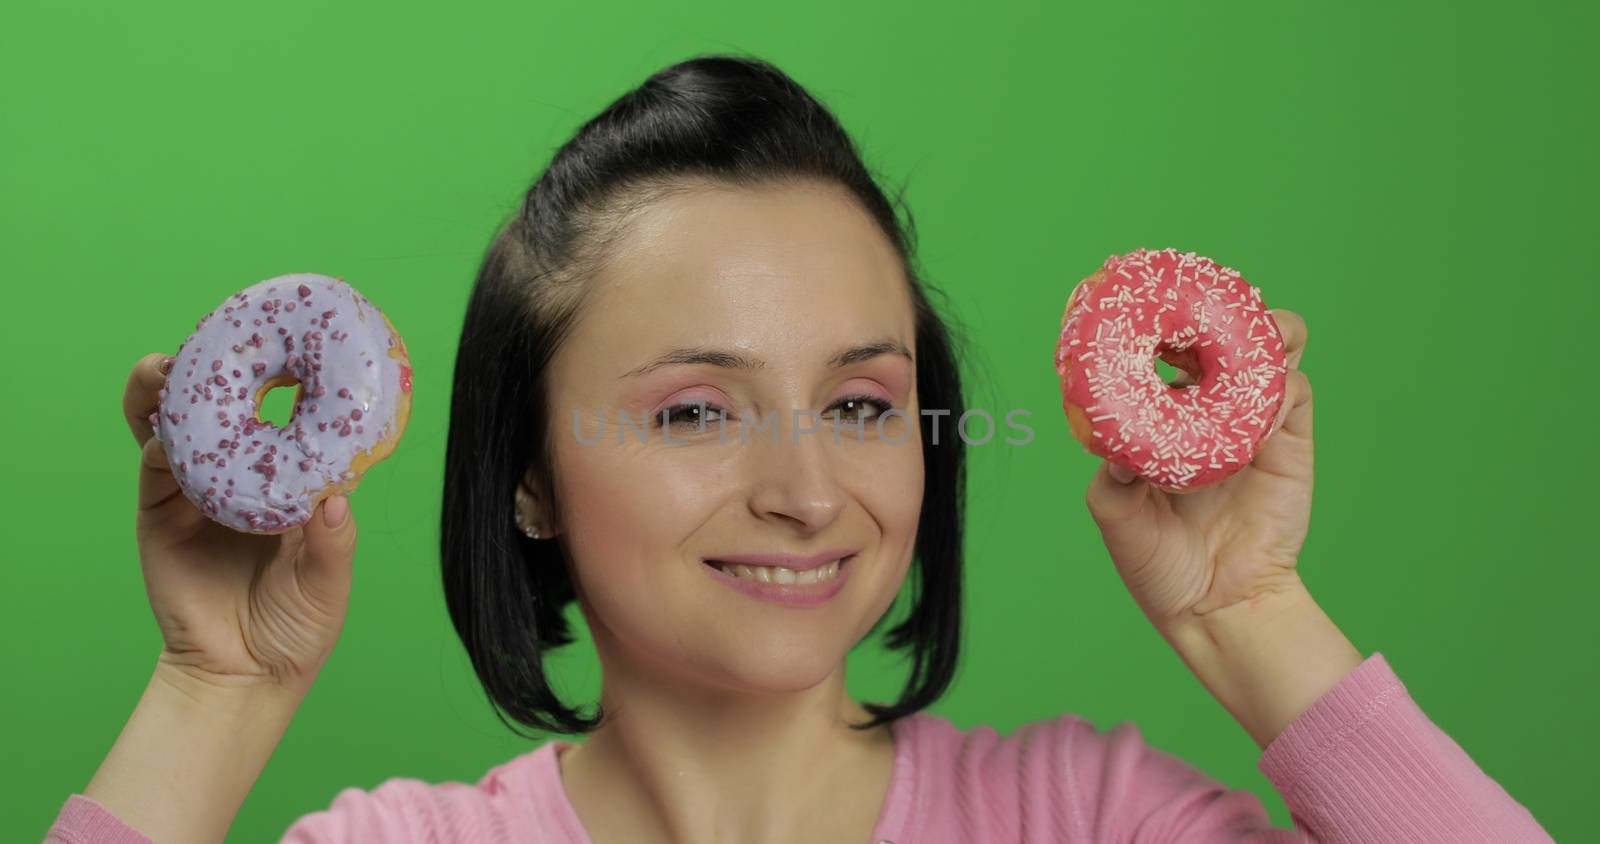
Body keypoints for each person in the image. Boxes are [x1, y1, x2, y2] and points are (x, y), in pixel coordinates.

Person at [46, 54, 1552, 844]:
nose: (808, 489)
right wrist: (213, 696)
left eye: (859, 402)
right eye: (697, 409)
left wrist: (1248, 612)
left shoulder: (1091, 821)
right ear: (526, 473)